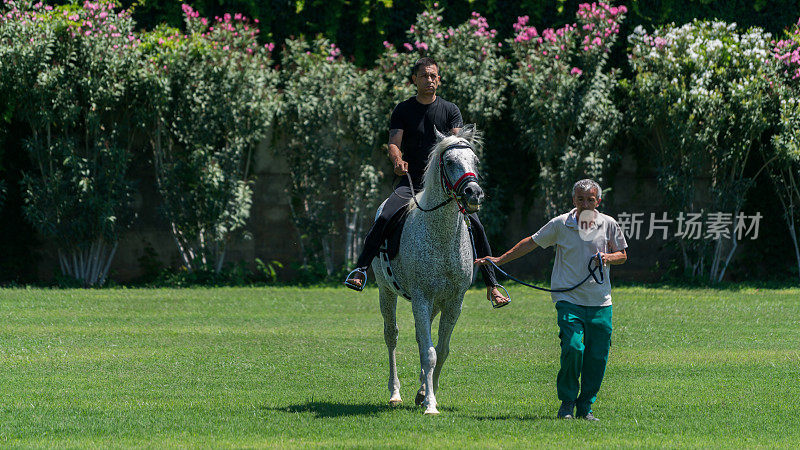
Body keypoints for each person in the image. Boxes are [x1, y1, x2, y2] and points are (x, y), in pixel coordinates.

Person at [344, 57, 509, 307]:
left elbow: (456, 145)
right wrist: (397, 160)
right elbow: (393, 143)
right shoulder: (403, 109)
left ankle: (492, 284)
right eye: (424, 76)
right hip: (411, 182)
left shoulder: (450, 110)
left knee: (476, 225)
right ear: (414, 80)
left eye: (433, 76)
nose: (429, 80)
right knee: (385, 217)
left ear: (439, 79)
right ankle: (361, 270)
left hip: (445, 186)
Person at [475, 179, 628, 420]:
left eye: (590, 199)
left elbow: (623, 254)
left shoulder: (609, 223)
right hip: (568, 299)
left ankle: (585, 407)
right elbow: (531, 242)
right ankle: (567, 402)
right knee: (573, 348)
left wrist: (608, 257)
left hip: (600, 302)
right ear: (573, 200)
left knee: (598, 357)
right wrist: (499, 259)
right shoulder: (561, 224)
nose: (585, 203)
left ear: (598, 201)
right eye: (580, 199)